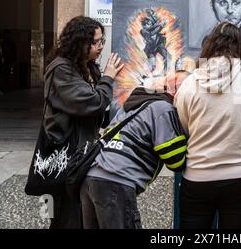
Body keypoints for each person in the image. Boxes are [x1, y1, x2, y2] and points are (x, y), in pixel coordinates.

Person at [175, 22, 241, 229]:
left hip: (199, 174)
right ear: (240, 46)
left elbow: (183, 127)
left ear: (210, 45)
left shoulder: (191, 82)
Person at [80, 71, 189, 229]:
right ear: (177, 91)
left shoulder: (134, 104)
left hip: (91, 178)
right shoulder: (164, 108)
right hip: (116, 181)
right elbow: (175, 160)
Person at [43, 16, 124, 229]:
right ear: (80, 42)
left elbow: (97, 109)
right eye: (96, 42)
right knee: (66, 218)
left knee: (83, 217)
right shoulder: (61, 69)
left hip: (83, 156)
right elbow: (92, 102)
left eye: (101, 41)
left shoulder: (88, 67)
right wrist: (108, 78)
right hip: (65, 158)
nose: (100, 47)